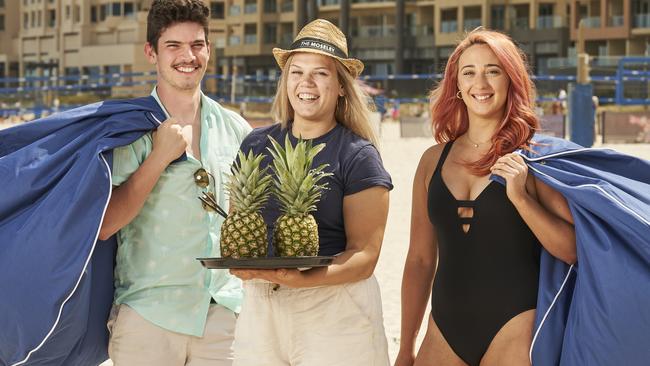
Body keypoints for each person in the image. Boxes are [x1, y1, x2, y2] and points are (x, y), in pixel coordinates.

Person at [396, 29, 577, 366]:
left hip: (515, 327)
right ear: (458, 87)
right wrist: (406, 347)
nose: (480, 82)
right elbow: (420, 260)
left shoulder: (535, 158)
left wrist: (522, 199)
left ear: (511, 80)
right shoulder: (431, 161)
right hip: (444, 330)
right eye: (469, 72)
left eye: (493, 70)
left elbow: (571, 250)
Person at [228, 19, 393, 366]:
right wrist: (240, 265)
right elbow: (237, 221)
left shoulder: (357, 155)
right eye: (296, 72)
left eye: (320, 73)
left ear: (342, 86)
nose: (306, 83)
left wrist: (304, 281)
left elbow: (365, 255)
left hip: (335, 308)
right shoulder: (256, 145)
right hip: (262, 308)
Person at [98, 0, 251, 364]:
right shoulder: (129, 130)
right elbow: (105, 225)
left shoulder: (238, 130)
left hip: (224, 316)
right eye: (174, 46)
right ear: (151, 52)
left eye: (197, 45)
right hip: (148, 317)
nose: (188, 56)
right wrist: (157, 158)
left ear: (209, 50)